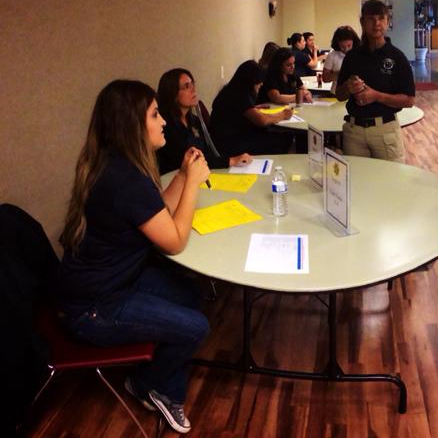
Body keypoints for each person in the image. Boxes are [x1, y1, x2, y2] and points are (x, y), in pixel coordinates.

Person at [56, 79, 211, 434]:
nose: (164, 121)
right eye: (155, 115)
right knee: (197, 327)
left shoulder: (119, 165)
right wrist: (192, 183)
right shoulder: (125, 180)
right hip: (93, 306)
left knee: (190, 294)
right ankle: (149, 385)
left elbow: (156, 211)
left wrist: (182, 175)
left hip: (113, 281)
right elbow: (174, 241)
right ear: (132, 126)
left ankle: (159, 378)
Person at [336, 0, 416, 163]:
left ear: (387, 21)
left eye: (381, 18)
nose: (376, 23)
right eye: (371, 19)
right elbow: (339, 95)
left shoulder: (397, 57)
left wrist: (376, 96)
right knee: (357, 178)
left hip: (385, 130)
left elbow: (409, 100)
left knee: (391, 177)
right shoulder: (352, 57)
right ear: (362, 22)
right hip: (354, 132)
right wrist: (348, 87)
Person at [155, 68, 252, 174]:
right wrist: (231, 161)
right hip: (175, 178)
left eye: (192, 84)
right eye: (186, 86)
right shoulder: (166, 126)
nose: (193, 89)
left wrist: (228, 161)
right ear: (173, 94)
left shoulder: (195, 121)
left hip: (201, 173)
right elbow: (188, 160)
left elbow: (207, 152)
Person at [210, 61, 295, 156]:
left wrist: (253, 109)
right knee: (279, 138)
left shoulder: (232, 90)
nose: (261, 84)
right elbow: (262, 121)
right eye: (259, 81)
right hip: (229, 144)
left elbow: (238, 112)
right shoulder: (240, 95)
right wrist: (283, 115)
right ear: (250, 81)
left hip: (226, 138)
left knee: (274, 134)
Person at [321, 25, 360, 92]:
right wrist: (341, 73)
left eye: (349, 45)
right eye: (342, 46)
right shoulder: (332, 55)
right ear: (337, 44)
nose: (346, 49)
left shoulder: (359, 53)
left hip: (357, 93)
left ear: (354, 42)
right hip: (336, 93)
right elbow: (325, 78)